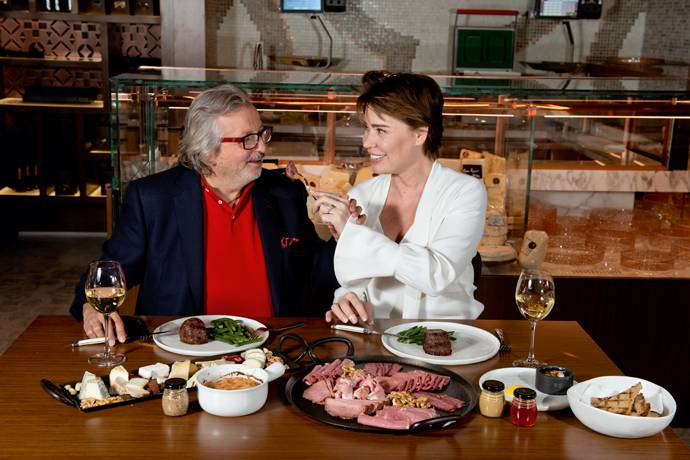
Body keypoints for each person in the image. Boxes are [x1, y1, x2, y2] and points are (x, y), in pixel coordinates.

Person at [70, 85, 338, 343]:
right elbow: (110, 272)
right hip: (182, 350)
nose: (262, 148)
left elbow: (315, 276)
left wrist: (342, 235)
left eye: (261, 134)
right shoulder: (153, 199)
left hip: (271, 347)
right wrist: (90, 307)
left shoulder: (285, 193)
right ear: (208, 151)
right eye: (248, 140)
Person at [314, 71, 487, 323]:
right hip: (374, 333)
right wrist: (347, 299)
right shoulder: (361, 194)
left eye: (380, 130)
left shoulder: (465, 192)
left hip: (446, 335)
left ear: (419, 134)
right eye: (367, 128)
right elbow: (356, 279)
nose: (367, 142)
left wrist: (356, 237)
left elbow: (436, 274)